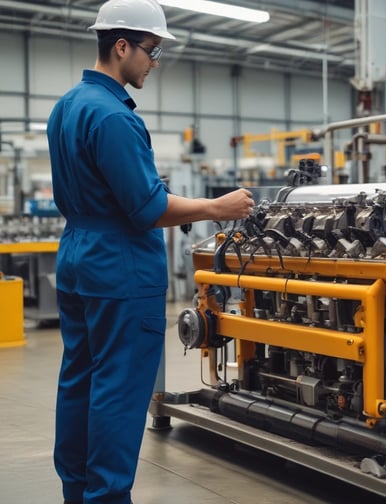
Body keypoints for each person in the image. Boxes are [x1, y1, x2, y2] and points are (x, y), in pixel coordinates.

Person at [46, 1, 255, 503]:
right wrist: (216, 207)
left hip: (77, 255)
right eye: (151, 50)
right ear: (122, 46)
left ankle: (78, 492)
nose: (154, 62)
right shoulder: (113, 116)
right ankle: (109, 497)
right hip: (120, 267)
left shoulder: (67, 105)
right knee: (119, 391)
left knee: (79, 379)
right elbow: (146, 207)